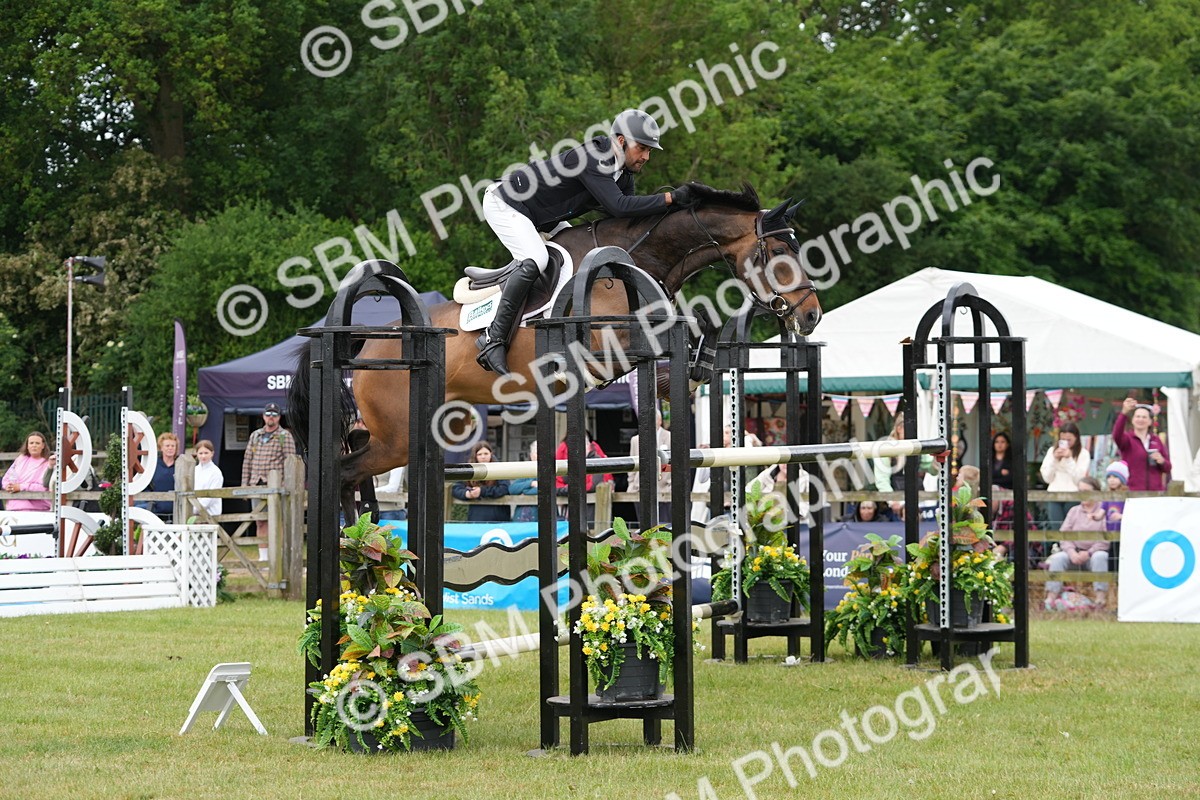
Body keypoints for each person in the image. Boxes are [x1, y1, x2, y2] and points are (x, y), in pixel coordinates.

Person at [475, 109, 697, 375]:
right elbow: (619, 206)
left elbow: (626, 220)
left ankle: (557, 332)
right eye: (642, 148)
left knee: (574, 259)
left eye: (649, 150)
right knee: (536, 259)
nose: (646, 157)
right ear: (621, 141)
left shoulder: (624, 174)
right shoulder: (593, 157)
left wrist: (678, 214)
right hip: (506, 202)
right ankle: (493, 338)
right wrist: (670, 199)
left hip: (542, 216)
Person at [1044, 476, 1110, 609]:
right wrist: (1072, 552)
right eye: (1080, 491)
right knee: (1057, 558)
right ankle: (1050, 599)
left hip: (1093, 554)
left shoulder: (1102, 512)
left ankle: (1100, 600)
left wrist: (1089, 553)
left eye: (1086, 491)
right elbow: (1064, 535)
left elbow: (1106, 538)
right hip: (1074, 553)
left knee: (1101, 557)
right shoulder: (1074, 511)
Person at [241, 403, 297, 542]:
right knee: (259, 521)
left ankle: (279, 551)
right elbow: (247, 461)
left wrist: (287, 485)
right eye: (268, 414)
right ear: (263, 416)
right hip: (256, 484)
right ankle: (263, 554)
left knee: (278, 520)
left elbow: (290, 462)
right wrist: (244, 485)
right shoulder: (255, 435)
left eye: (274, 414)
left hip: (277, 486)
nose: (271, 417)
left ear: (279, 417)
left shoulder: (285, 436)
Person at [872, 413, 939, 519]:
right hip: (896, 503)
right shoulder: (885, 449)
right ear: (899, 428)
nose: (914, 432)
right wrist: (893, 501)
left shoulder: (917, 447)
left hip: (919, 500)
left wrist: (936, 461)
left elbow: (932, 469)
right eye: (911, 429)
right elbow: (882, 480)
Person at [1111, 397, 1172, 491]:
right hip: (1133, 491)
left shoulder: (1156, 440)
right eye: (1138, 416)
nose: (1140, 419)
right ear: (1132, 420)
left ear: (1150, 421)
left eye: (1144, 417)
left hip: (1155, 492)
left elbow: (1168, 468)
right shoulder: (1127, 439)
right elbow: (1116, 435)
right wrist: (1124, 413)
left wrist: (1162, 461)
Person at [1039, 421, 1090, 527]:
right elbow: (1047, 478)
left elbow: (1079, 479)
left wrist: (1069, 459)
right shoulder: (1052, 451)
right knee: (1056, 527)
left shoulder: (1083, 454)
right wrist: (1054, 459)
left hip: (1074, 495)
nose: (1066, 443)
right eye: (1063, 440)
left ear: (1076, 438)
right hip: (1054, 494)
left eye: (1069, 440)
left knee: (1072, 527)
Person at [628, 410, 672, 526]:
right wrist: (631, 484)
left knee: (664, 526)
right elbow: (631, 464)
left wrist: (669, 483)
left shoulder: (669, 437)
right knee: (644, 526)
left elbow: (672, 464)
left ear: (660, 421)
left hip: (664, 489)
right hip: (640, 488)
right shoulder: (635, 440)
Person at [452, 440, 511, 522]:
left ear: (491, 454)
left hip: (498, 515)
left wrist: (482, 491)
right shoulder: (470, 470)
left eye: (486, 453)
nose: (483, 457)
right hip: (476, 516)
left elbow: (505, 488)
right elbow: (456, 488)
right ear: (475, 456)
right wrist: (467, 494)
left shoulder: (499, 469)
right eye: (479, 454)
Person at [2, 431, 54, 511]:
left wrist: (21, 487)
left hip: (37, 509)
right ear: (27, 446)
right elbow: (6, 478)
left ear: (43, 446)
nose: (34, 445)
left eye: (37, 443)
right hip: (13, 507)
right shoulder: (20, 459)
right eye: (31, 443)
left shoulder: (48, 464)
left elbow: (44, 487)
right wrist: (7, 486)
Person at [144, 432, 179, 522]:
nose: (170, 448)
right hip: (156, 512)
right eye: (167, 446)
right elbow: (146, 486)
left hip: (176, 512)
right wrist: (151, 502)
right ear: (161, 448)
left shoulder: (180, 465)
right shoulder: (153, 465)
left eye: (173, 446)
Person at [507, 442, 540, 522]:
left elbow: (547, 489)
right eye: (537, 453)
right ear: (531, 456)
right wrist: (531, 483)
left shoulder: (553, 471)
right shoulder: (526, 471)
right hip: (521, 519)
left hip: (543, 518)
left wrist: (525, 491)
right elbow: (512, 489)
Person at [192, 439, 224, 519]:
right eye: (200, 453)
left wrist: (195, 509)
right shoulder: (194, 470)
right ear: (197, 454)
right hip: (194, 514)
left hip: (211, 514)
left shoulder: (216, 472)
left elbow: (211, 496)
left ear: (212, 453)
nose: (203, 456)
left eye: (206, 453)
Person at [1102, 461, 1128, 533]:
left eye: (1115, 477)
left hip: (1124, 531)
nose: (1111, 480)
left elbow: (1132, 514)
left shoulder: (1127, 495)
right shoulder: (1107, 495)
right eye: (1109, 477)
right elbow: (1102, 511)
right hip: (1110, 531)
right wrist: (1095, 516)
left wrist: (1121, 516)